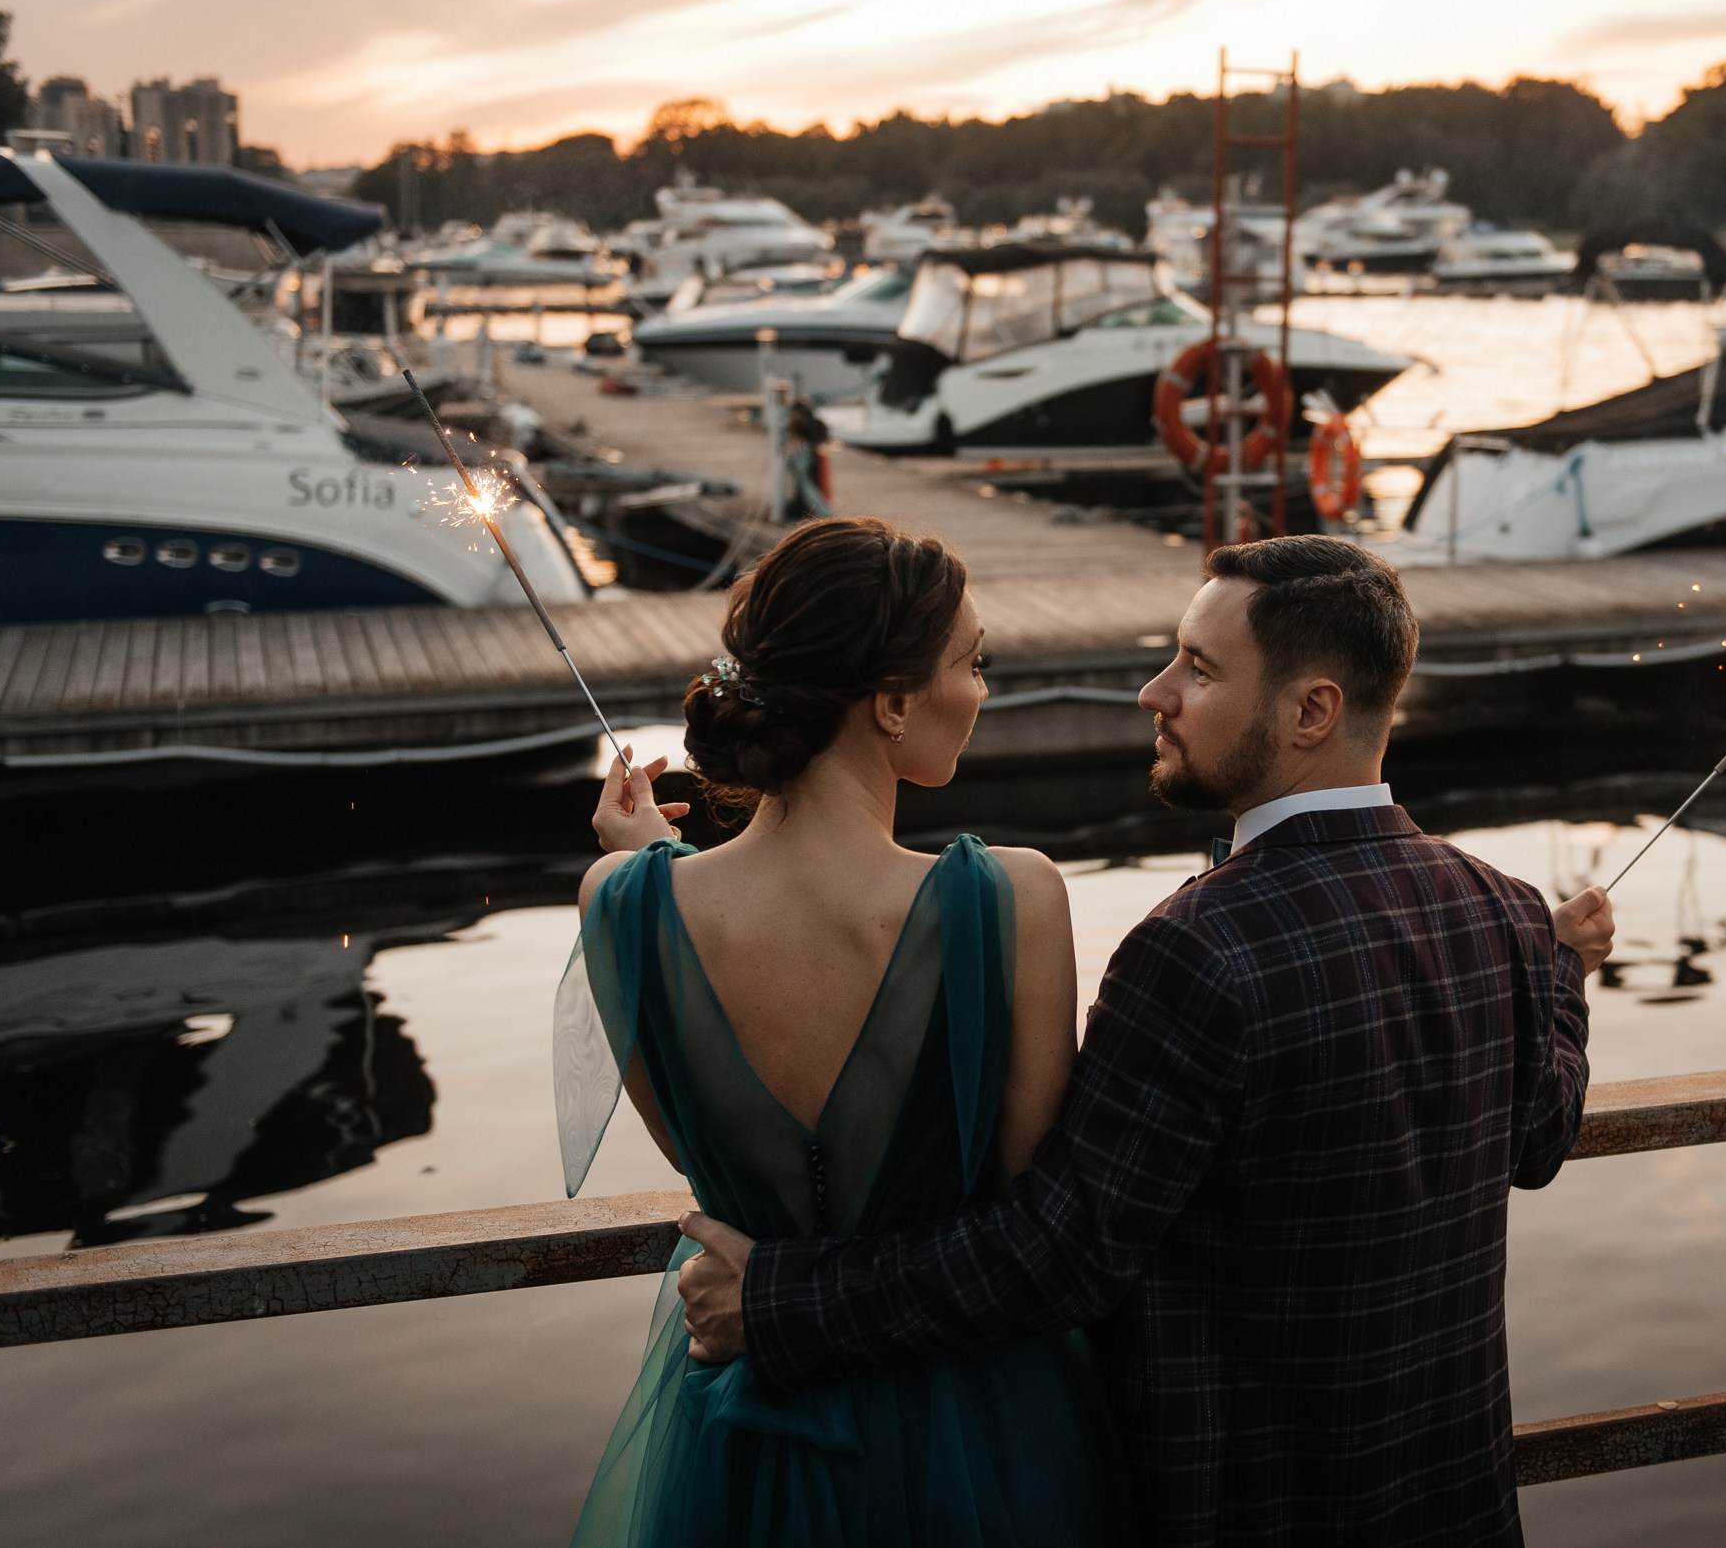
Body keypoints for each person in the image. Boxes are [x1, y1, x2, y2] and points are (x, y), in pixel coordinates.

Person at [675, 534, 1613, 1547]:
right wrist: (1559, 976)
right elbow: (1541, 1135)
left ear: (1312, 712)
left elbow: (1062, 1253)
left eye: (1198, 669)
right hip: (1453, 1504)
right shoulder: (1506, 914)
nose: (1153, 693)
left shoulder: (1197, 951)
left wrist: (780, 1306)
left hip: (1247, 1512)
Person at [564, 516, 1134, 1546]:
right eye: (974, 663)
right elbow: (1026, 1214)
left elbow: (699, 1143)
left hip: (748, 1423)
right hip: (977, 1419)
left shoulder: (618, 905)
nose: (985, 690)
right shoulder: (1013, 897)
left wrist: (651, 872)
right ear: (894, 703)